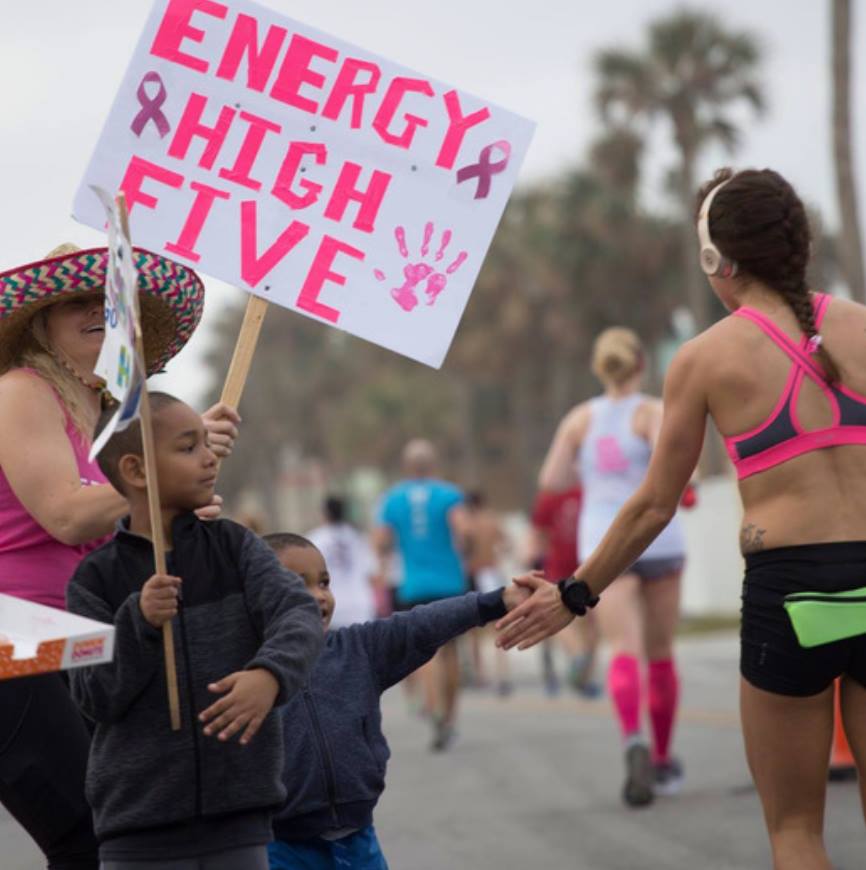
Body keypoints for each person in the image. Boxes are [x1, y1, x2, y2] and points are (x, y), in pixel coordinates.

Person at [498, 167, 866, 867]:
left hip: (794, 593)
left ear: (715, 260)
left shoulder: (706, 357)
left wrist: (575, 594)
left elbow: (652, 504)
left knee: (796, 830)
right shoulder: (864, 326)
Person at [0, 243, 238, 870]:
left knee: (118, 839)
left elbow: (122, 533)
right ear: (39, 324)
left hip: (90, 648)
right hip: (20, 648)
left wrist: (183, 494)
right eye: (75, 301)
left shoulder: (110, 421)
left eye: (107, 300)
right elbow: (64, 513)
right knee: (91, 838)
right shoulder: (22, 391)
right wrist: (158, 472)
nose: (96, 311)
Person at [65, 393, 323, 869]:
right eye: (188, 448)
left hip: (240, 823)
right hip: (136, 833)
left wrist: (269, 675)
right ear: (136, 471)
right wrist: (138, 622)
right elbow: (93, 695)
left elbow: (298, 616)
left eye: (207, 444)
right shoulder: (93, 580)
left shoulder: (235, 547)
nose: (210, 458)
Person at [262, 532, 528, 870]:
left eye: (324, 583)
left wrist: (498, 600)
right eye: (300, 585)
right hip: (280, 848)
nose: (319, 596)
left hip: (359, 843)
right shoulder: (244, 670)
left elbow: (421, 625)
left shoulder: (357, 649)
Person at [523, 327, 688, 807]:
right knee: (659, 654)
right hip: (660, 542)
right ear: (641, 364)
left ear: (601, 367)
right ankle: (660, 759)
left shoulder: (581, 419)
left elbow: (551, 478)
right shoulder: (651, 412)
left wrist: (593, 474)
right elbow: (676, 467)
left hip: (605, 545)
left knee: (624, 649)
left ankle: (632, 739)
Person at [372, 439, 468, 750]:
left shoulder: (392, 499)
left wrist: (390, 556)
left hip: (413, 585)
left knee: (427, 650)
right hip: (450, 582)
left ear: (406, 466)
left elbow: (381, 541)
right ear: (434, 463)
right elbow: (463, 531)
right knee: (451, 651)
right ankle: (449, 717)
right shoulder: (449, 494)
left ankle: (434, 706)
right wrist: (460, 552)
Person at [528, 486, 601, 698]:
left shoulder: (550, 494)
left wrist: (533, 561)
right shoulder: (589, 490)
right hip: (590, 565)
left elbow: (537, 537)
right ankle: (584, 672)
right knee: (590, 622)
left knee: (562, 615)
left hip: (562, 566)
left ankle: (579, 660)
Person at [463, 490, 512, 695]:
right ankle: (502, 675)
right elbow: (507, 544)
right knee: (498, 625)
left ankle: (480, 674)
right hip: (490, 572)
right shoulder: (492, 520)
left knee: (472, 628)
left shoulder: (468, 524)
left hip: (473, 573)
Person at [308, 496, 377, 629]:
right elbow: (372, 573)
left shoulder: (314, 539)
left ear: (325, 513)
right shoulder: (358, 537)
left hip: (330, 607)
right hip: (360, 606)